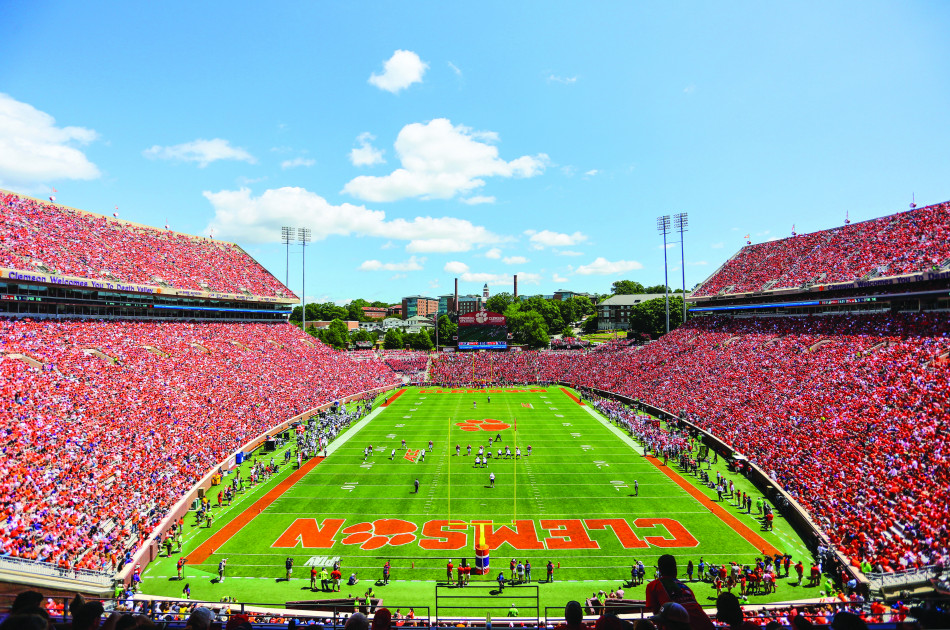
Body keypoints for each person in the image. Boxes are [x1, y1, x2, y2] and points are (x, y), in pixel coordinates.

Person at [645, 554, 715, 630]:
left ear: (660, 570)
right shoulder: (687, 588)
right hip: (706, 625)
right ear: (675, 569)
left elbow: (657, 616)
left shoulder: (653, 586)